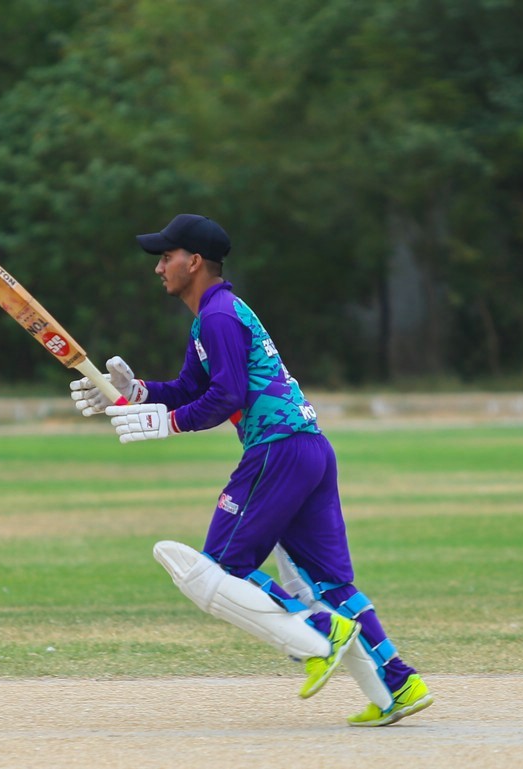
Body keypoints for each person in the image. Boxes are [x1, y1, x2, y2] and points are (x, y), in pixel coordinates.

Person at [70, 214, 432, 726]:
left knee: (222, 567)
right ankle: (398, 682)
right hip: (309, 447)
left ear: (195, 262)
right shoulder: (218, 313)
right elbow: (192, 387)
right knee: (329, 581)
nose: (159, 268)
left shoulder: (217, 317)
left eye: (167, 257)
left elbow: (226, 396)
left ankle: (318, 630)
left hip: (276, 451)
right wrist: (137, 392)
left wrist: (165, 424)